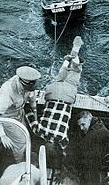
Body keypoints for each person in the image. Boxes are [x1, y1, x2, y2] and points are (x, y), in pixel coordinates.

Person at [26, 36, 84, 165]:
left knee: (74, 76)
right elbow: (29, 113)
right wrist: (26, 104)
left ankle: (75, 56)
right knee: (59, 78)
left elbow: (65, 154)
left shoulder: (63, 139)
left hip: (67, 98)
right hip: (52, 94)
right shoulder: (39, 131)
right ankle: (67, 61)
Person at [0, 66, 41, 163]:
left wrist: (35, 115)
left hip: (19, 113)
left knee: (27, 134)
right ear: (26, 83)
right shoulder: (8, 92)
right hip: (6, 118)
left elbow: (32, 99)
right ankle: (19, 162)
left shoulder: (29, 86)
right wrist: (2, 135)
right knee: (22, 141)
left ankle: (21, 152)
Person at [70, 111, 109, 185]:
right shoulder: (97, 123)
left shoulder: (94, 134)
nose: (81, 128)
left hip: (101, 163)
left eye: (83, 125)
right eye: (80, 125)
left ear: (89, 119)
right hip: (103, 156)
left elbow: (88, 157)